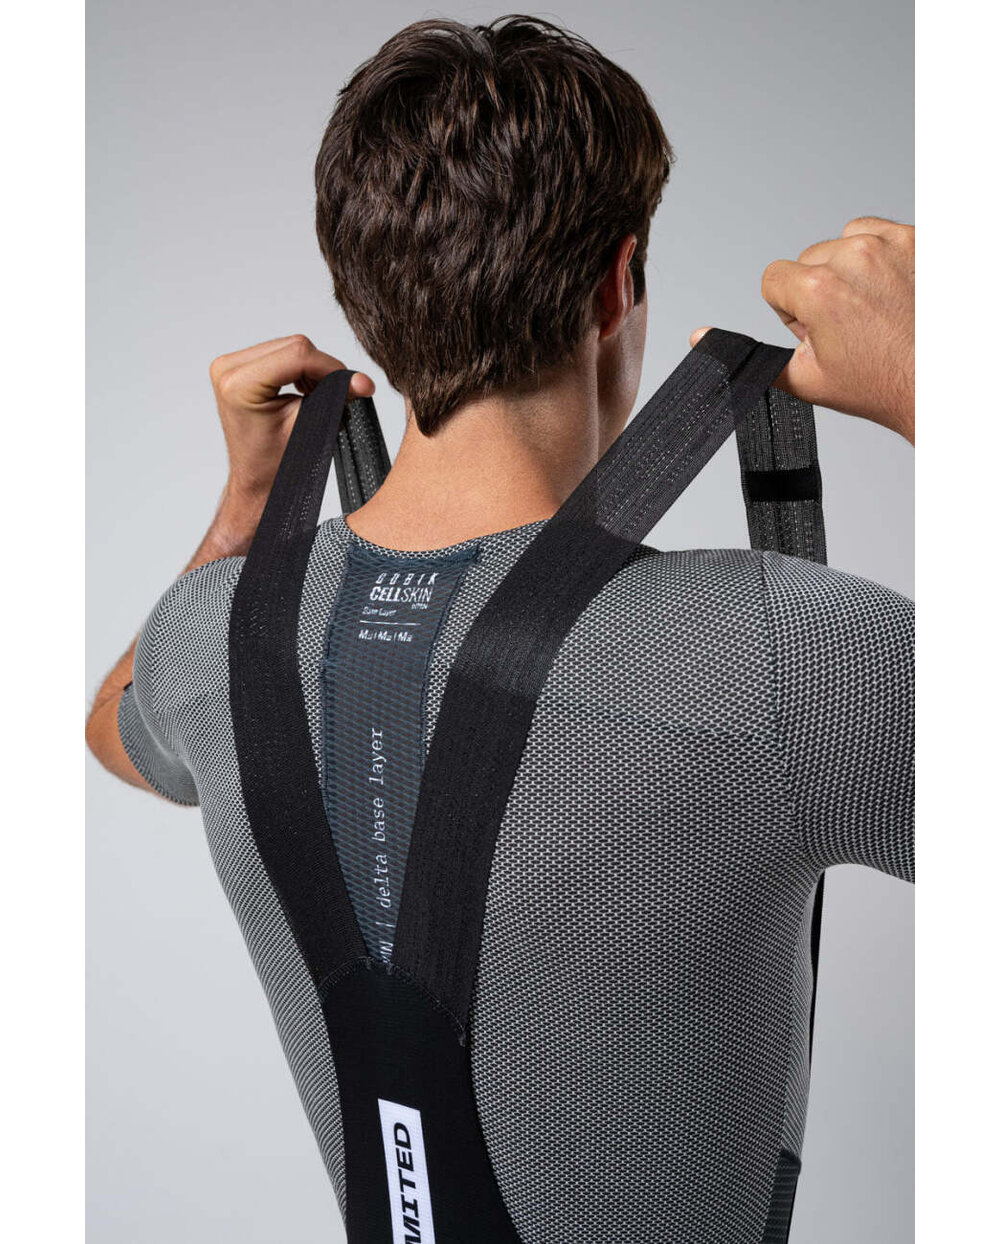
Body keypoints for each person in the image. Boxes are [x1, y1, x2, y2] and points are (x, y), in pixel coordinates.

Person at [87, 16, 914, 1242]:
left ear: (367, 297)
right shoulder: (788, 655)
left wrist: (249, 503)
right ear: (615, 284)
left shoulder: (212, 643)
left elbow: (115, 729)